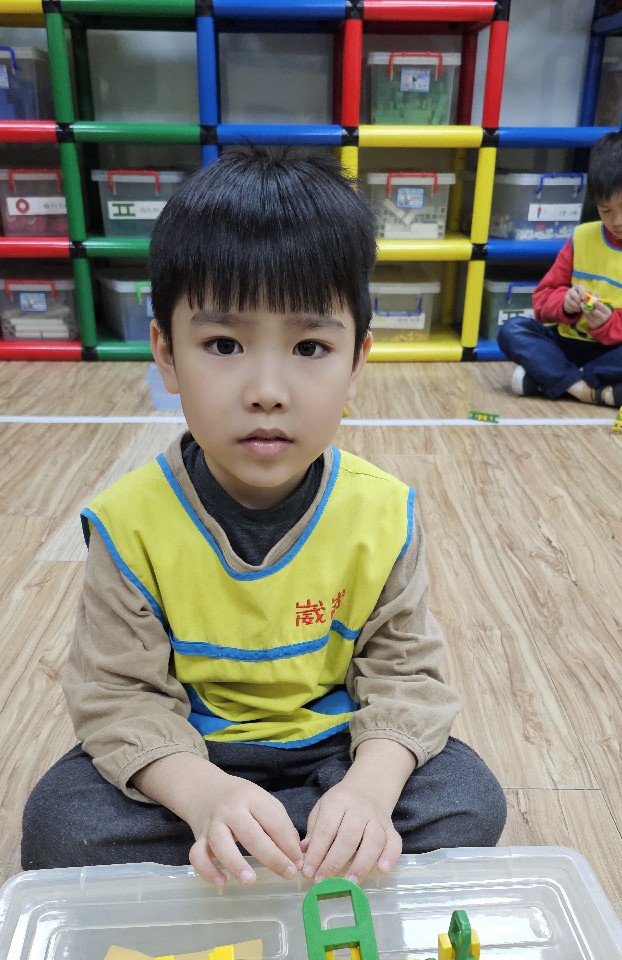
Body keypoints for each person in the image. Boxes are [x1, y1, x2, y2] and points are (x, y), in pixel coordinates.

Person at [21, 148, 506, 888]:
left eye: (310, 346)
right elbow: (118, 698)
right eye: (224, 344)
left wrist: (369, 792)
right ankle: (281, 843)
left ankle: (294, 841)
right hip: (192, 754)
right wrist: (204, 796)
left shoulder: (382, 514)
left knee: (468, 800)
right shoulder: (130, 525)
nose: (268, 390)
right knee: (62, 825)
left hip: (333, 751)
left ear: (357, 361)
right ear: (166, 353)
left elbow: (406, 677)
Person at [498, 130, 622, 406]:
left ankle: (555, 378)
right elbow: (542, 302)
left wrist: (608, 324)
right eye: (606, 210)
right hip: (568, 344)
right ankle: (588, 389)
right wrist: (566, 303)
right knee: (513, 329)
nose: (617, 221)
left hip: (613, 353)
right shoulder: (582, 237)